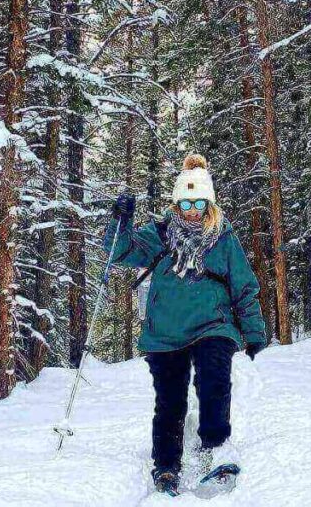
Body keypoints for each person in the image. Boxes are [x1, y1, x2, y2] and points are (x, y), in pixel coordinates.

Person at [105, 153, 267, 495]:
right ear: (176, 204)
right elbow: (119, 253)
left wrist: (253, 331)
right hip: (165, 333)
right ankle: (166, 466)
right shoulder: (159, 234)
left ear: (209, 203)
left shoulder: (223, 237)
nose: (192, 209)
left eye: (198, 202)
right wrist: (121, 221)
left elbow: (244, 285)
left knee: (214, 382)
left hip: (214, 325)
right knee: (170, 400)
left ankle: (214, 447)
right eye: (185, 202)